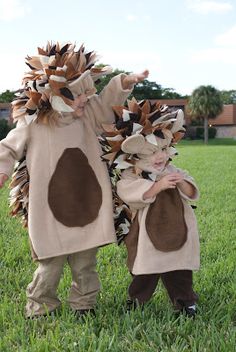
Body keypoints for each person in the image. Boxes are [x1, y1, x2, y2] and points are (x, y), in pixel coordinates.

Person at [0, 41, 149, 318]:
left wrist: (123, 81)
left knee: (85, 263)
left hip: (87, 201)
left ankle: (84, 305)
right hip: (50, 208)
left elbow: (105, 103)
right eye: (76, 96)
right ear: (51, 93)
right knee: (50, 263)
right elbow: (8, 146)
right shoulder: (34, 124)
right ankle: (41, 306)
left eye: (86, 95)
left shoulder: (87, 115)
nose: (84, 101)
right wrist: (3, 168)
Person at [101, 98, 200, 317]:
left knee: (180, 270)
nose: (161, 157)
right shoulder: (130, 174)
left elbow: (192, 192)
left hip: (178, 230)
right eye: (152, 153)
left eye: (164, 149)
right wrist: (157, 187)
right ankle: (136, 300)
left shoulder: (172, 169)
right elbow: (128, 192)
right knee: (144, 271)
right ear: (134, 155)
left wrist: (180, 181)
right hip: (146, 235)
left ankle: (185, 302)